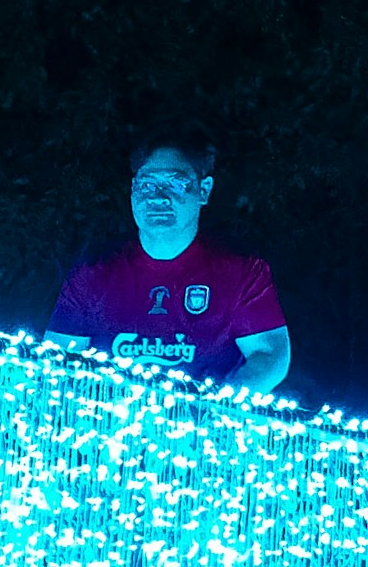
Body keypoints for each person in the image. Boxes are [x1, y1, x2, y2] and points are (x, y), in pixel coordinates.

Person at [50, 146, 289, 390]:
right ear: (133, 190)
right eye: (147, 185)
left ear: (203, 190)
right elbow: (59, 359)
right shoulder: (94, 271)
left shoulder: (240, 270)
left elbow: (270, 356)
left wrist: (215, 407)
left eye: (175, 183)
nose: (158, 197)